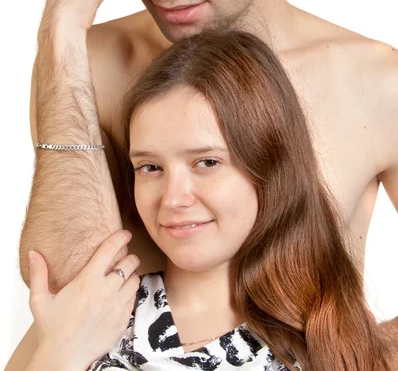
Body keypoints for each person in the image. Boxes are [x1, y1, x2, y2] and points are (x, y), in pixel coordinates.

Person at [16, 0, 397, 356]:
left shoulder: (374, 83)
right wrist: (60, 31)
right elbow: (66, 297)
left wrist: (363, 354)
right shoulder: (88, 64)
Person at [6, 30, 393, 371]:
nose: (172, 198)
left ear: (270, 166)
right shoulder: (93, 309)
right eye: (150, 167)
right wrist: (59, 354)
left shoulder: (330, 340)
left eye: (207, 162)